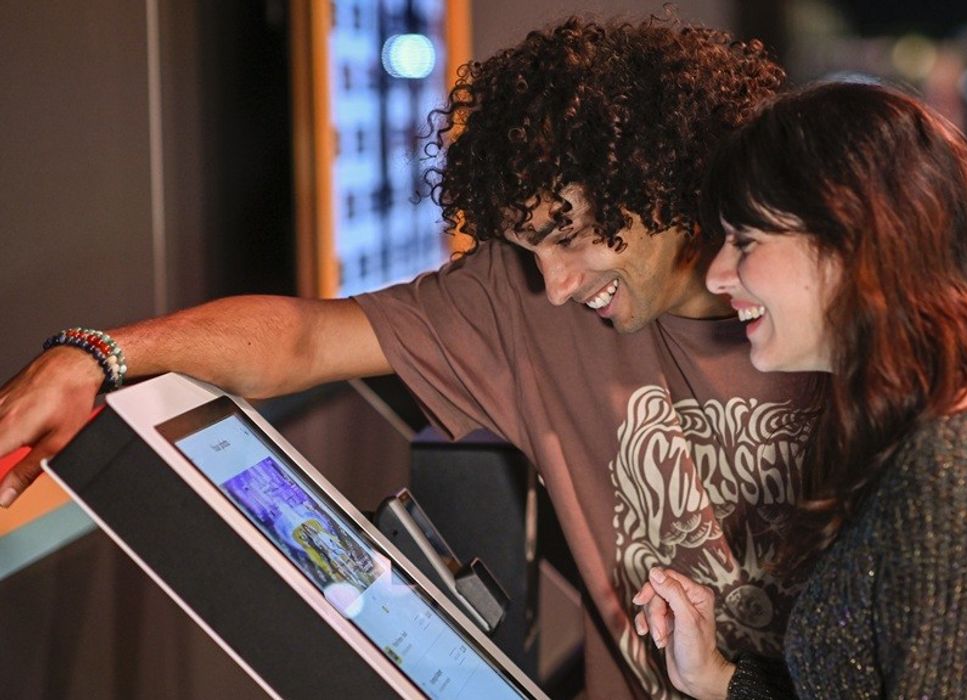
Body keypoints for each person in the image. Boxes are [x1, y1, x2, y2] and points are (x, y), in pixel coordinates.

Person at [0, 16, 815, 698]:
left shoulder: (836, 321)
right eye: (529, 249)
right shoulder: (517, 301)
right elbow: (304, 337)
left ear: (662, 177)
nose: (556, 286)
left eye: (567, 234)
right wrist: (95, 356)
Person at [631, 82, 967, 698]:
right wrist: (718, 678)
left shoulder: (965, 467)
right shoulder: (913, 433)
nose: (717, 275)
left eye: (745, 241)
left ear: (852, 242)